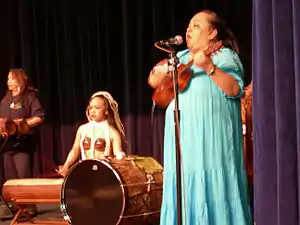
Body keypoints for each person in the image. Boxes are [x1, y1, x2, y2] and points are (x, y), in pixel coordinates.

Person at [148, 10, 252, 225]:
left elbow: (234, 90)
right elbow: (153, 81)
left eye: (196, 25)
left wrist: (209, 67)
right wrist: (161, 72)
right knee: (184, 187)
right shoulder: (181, 57)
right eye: (188, 26)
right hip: (183, 143)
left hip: (211, 143)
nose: (189, 29)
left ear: (213, 33)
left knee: (213, 187)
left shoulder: (224, 55)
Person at [0, 68, 44, 215]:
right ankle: (15, 206)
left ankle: (30, 207)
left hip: (23, 143)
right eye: (7, 79)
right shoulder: (5, 100)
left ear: (20, 79)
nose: (8, 82)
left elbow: (39, 117)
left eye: (11, 78)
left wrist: (22, 123)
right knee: (10, 176)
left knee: (23, 174)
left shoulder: (29, 97)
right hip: (8, 144)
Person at [58, 91, 126, 176]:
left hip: (104, 174)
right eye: (90, 108)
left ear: (106, 111)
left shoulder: (112, 133)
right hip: (86, 173)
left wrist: (119, 157)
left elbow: (118, 157)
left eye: (97, 108)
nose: (92, 111)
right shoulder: (82, 129)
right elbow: (75, 150)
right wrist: (66, 165)